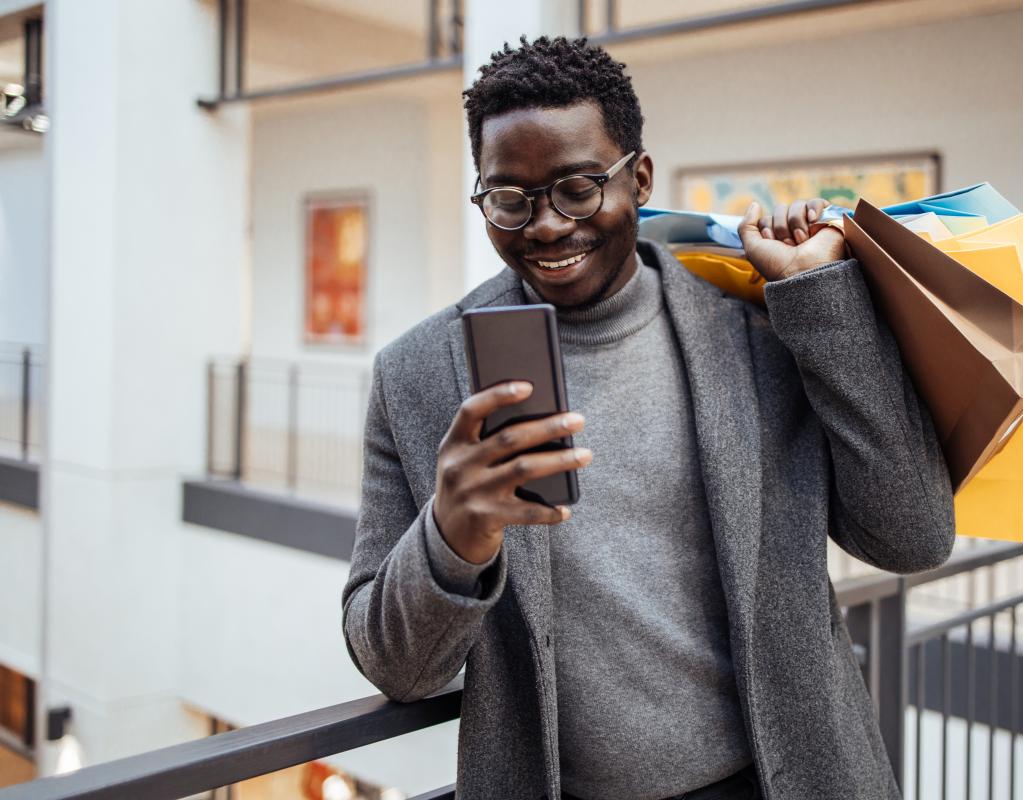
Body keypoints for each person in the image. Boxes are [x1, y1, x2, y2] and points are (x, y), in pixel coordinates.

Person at [341, 35, 955, 800]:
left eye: (578, 187)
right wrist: (451, 537)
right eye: (510, 198)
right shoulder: (418, 377)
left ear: (639, 177)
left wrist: (825, 305)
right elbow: (396, 665)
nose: (546, 226)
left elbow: (913, 537)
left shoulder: (756, 334)